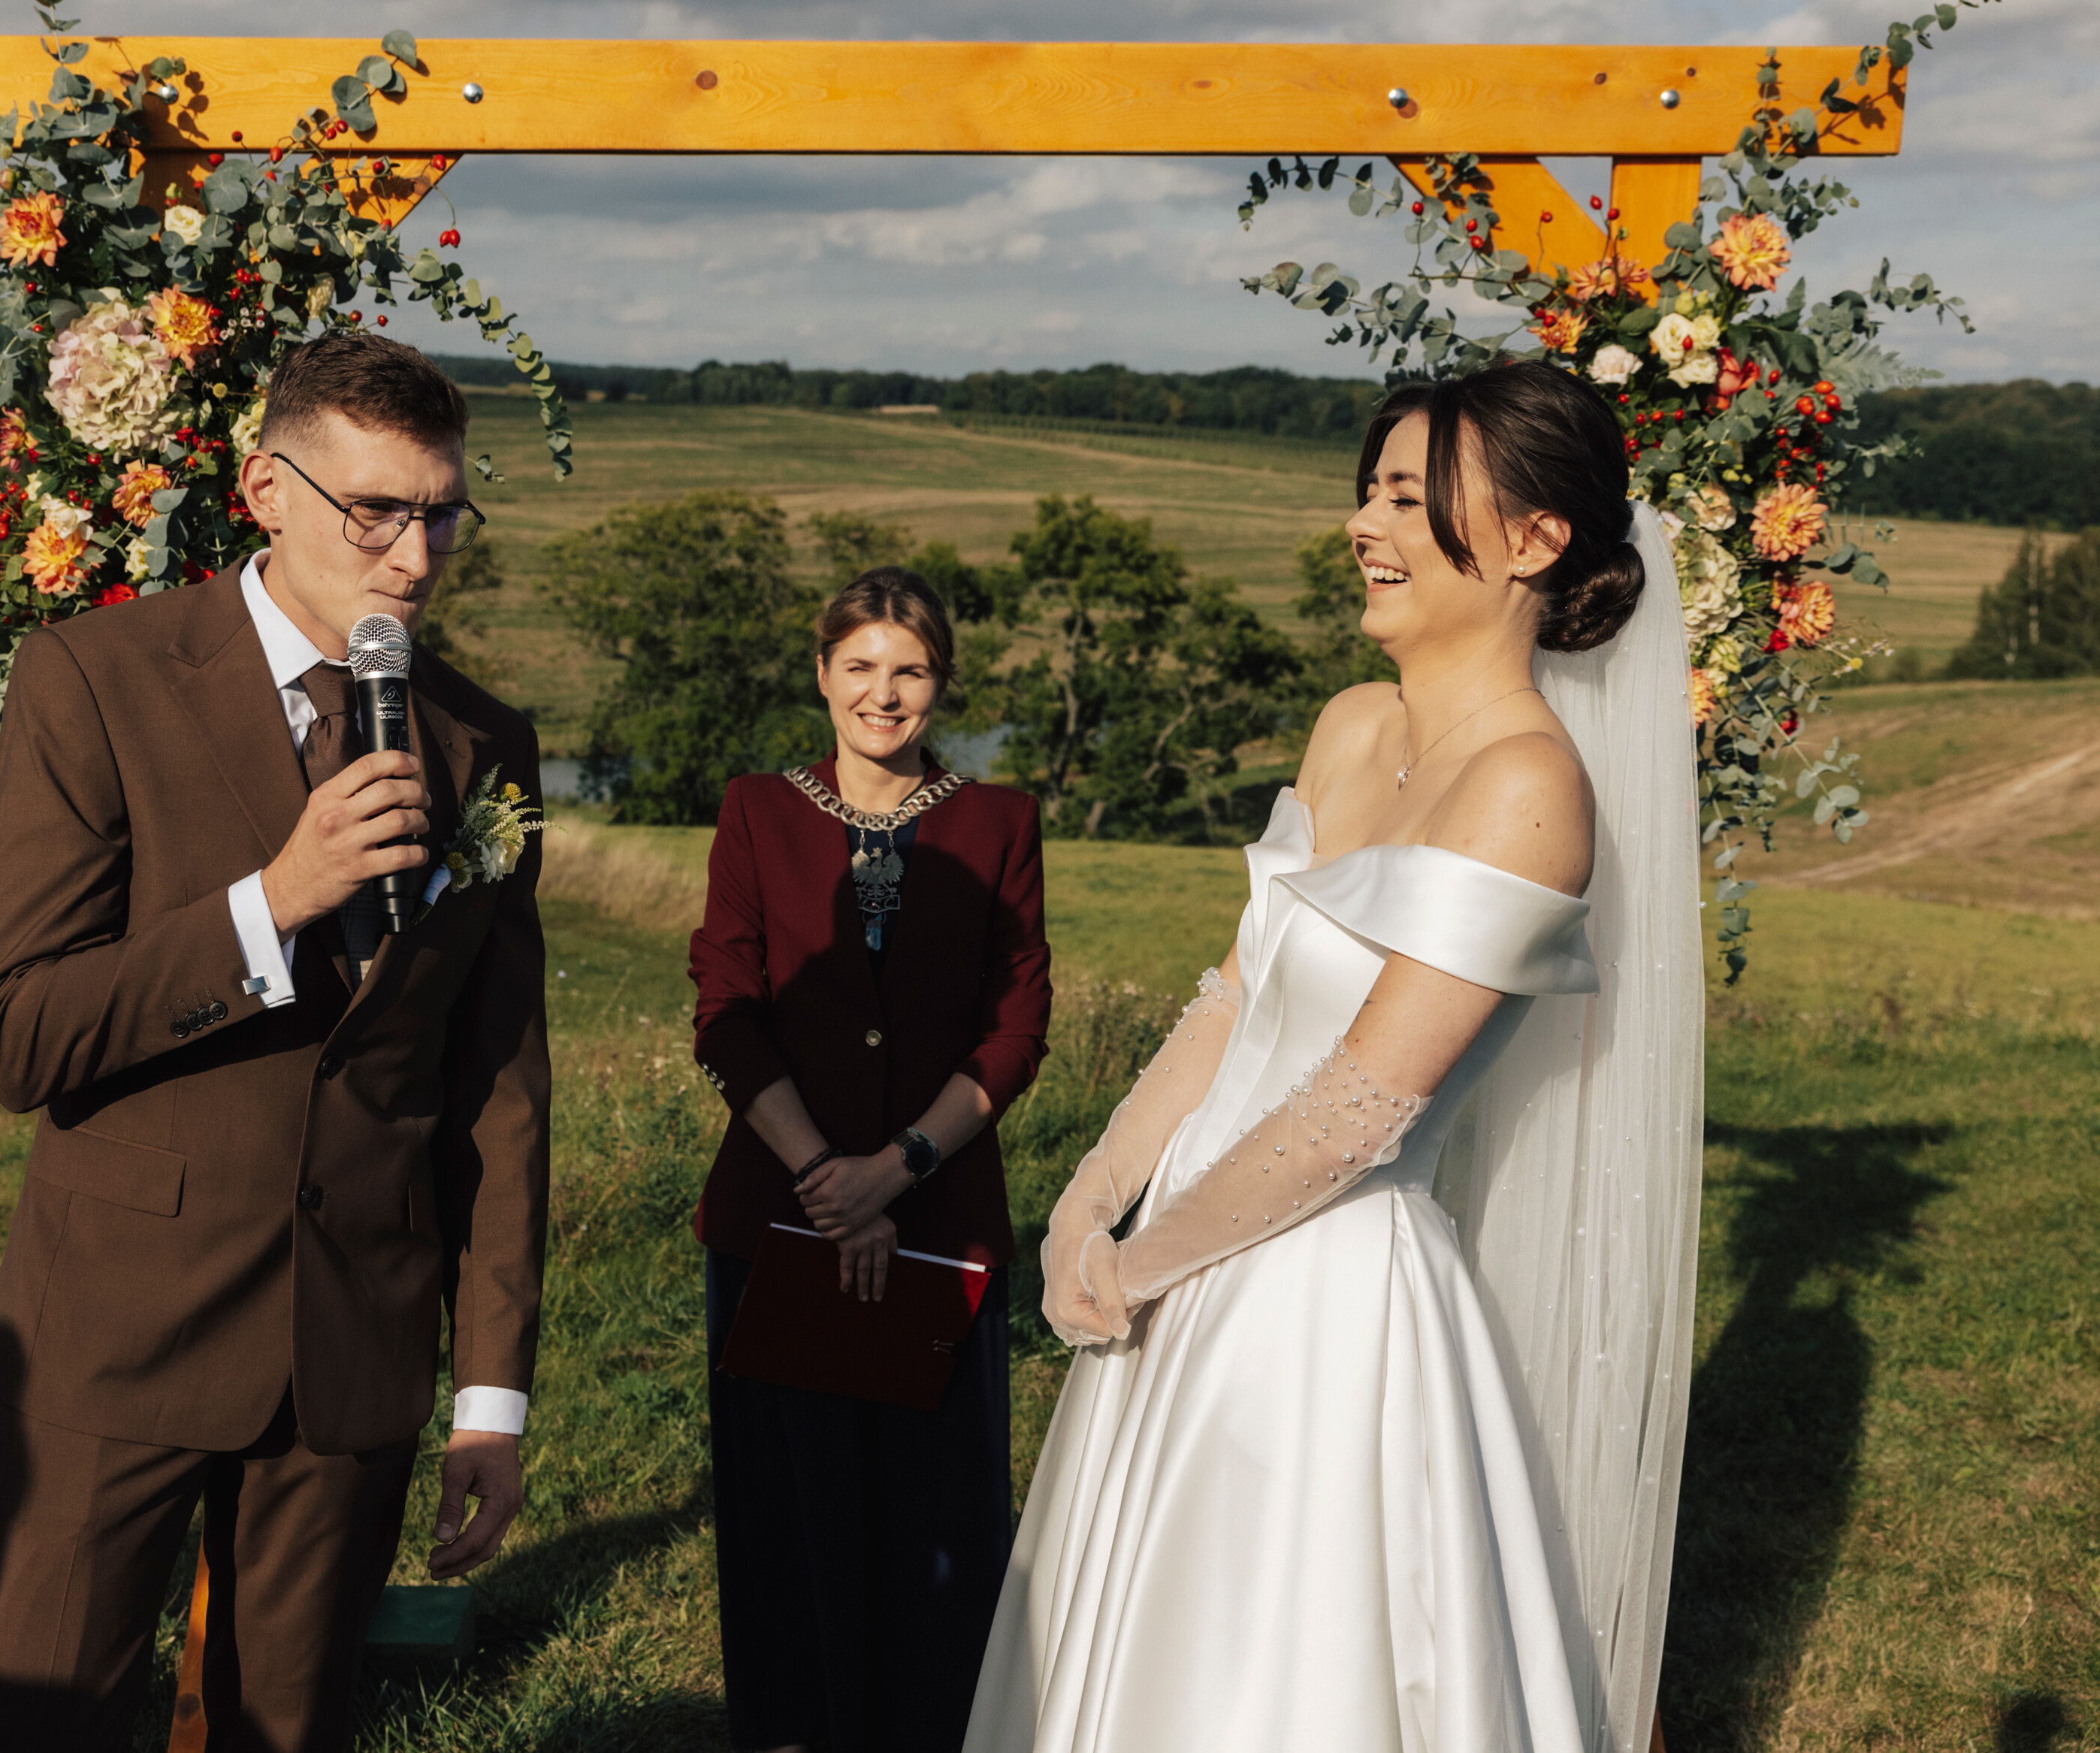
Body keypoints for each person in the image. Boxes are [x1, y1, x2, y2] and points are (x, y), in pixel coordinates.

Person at [968, 360, 1703, 1753]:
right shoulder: (1353, 723)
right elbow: (1235, 996)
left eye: (1409, 498)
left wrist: (1147, 1257)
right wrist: (1091, 1199)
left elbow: (1362, 1105)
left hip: (1319, 1305)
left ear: (1536, 540)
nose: (1364, 523)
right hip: (1182, 1259)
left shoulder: (1530, 787)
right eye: (1368, 490)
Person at [0, 333, 550, 1750]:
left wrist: (489, 1394)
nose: (414, 557)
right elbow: (18, 1033)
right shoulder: (94, 677)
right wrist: (272, 903)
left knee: (287, 1731)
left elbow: (496, 1088)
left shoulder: (480, 741)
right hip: (119, 1330)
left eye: (442, 515)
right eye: (375, 511)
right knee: (48, 1723)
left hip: (351, 1352)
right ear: (265, 491)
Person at [687, 567, 1054, 1753]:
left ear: (942, 681)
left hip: (938, 1222)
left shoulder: (1000, 823)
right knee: (790, 1523)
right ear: (822, 672)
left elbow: (1017, 1025)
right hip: (777, 1222)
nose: (883, 695)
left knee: (935, 1528)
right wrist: (826, 1181)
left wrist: (894, 1170)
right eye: (860, 667)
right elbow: (726, 1007)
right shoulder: (757, 810)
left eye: (910, 670)